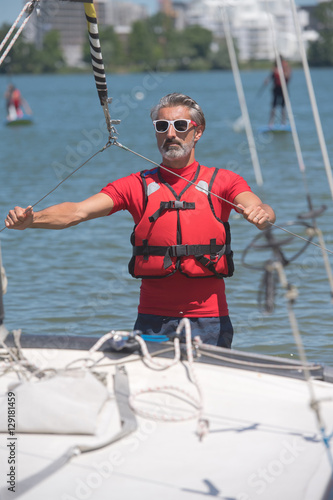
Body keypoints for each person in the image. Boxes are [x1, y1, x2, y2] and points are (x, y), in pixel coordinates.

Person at [4, 93, 275, 348]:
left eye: (180, 125)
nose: (170, 134)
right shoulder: (137, 185)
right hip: (153, 321)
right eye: (162, 126)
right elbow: (77, 211)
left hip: (209, 321)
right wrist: (33, 220)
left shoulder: (224, 181)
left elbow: (257, 206)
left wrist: (261, 215)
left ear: (198, 131)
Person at [264, 56, 291, 126]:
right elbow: (271, 76)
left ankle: (283, 122)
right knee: (273, 106)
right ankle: (271, 123)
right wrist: (267, 80)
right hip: (276, 89)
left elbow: (288, 77)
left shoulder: (285, 67)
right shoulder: (275, 69)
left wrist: (284, 73)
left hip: (283, 90)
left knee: (283, 107)